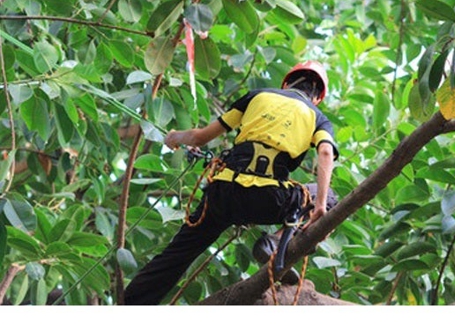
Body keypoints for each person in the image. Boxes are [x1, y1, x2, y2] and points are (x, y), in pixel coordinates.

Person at [124, 60, 338, 305]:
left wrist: (175, 137)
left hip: (222, 194)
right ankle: (275, 242)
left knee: (175, 257)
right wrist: (320, 203)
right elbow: (325, 153)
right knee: (330, 196)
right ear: (318, 97)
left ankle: (129, 305)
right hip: (268, 198)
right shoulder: (317, 117)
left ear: (286, 82)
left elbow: (200, 137)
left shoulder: (257, 96)